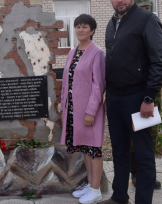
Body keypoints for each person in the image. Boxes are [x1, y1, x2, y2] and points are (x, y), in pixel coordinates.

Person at [100, 0, 162, 204]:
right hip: (116, 97)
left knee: (143, 153)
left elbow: (159, 63)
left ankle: (143, 201)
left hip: (139, 98)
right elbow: (112, 62)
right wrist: (108, 95)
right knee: (119, 150)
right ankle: (119, 197)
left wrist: (149, 98)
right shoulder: (111, 23)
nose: (119, 0)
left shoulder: (147, 20)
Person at [59, 14, 106, 204]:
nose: (80, 30)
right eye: (77, 26)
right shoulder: (73, 52)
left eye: (85, 27)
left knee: (94, 148)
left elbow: (98, 85)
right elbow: (67, 81)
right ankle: (90, 184)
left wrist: (91, 112)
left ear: (92, 30)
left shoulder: (97, 53)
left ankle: (96, 190)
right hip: (73, 110)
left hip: (88, 112)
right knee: (84, 147)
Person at [130, 0, 162, 190]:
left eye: (147, 7)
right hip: (134, 88)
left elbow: (159, 60)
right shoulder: (131, 27)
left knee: (151, 133)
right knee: (136, 132)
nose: (145, 10)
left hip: (151, 89)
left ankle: (149, 173)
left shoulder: (153, 26)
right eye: (142, 7)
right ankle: (135, 173)